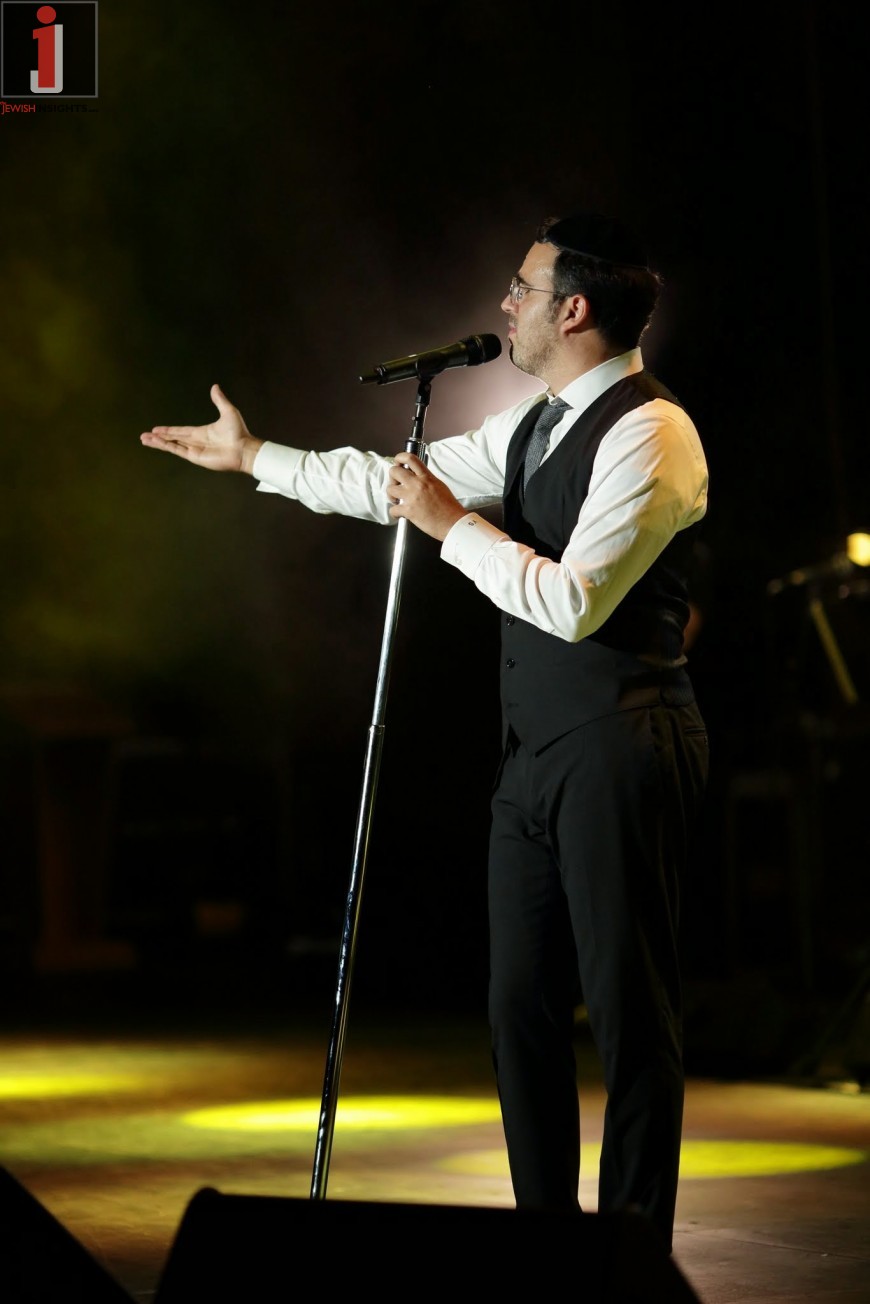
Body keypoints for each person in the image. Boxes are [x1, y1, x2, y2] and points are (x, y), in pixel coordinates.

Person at [141, 211, 710, 1252]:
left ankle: (632, 1258)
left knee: (632, 1019)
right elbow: (391, 483)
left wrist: (455, 525)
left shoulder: (652, 430)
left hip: (623, 737)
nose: (504, 303)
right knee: (518, 1011)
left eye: (522, 287)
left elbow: (573, 601)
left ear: (574, 310)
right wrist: (258, 456)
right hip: (534, 753)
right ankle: (551, 1249)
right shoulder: (534, 423)